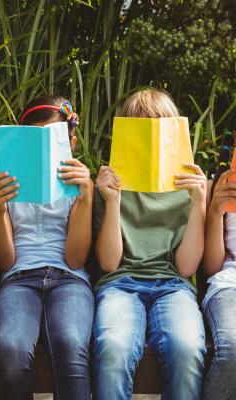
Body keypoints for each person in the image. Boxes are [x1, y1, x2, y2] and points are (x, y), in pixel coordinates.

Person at [93, 88, 207, 400]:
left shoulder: (188, 186)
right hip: (120, 284)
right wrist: (113, 201)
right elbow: (108, 263)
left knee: (187, 348)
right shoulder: (110, 183)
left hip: (173, 285)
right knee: (114, 348)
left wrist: (198, 204)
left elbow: (185, 267)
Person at [0, 95, 94, 400]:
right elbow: (6, 261)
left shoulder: (78, 187)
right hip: (18, 278)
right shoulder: (7, 186)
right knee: (10, 347)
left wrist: (85, 197)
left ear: (71, 141)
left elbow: (75, 260)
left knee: (71, 343)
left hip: (69, 278)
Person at [202, 128, 236, 400]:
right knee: (233, 347)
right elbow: (212, 268)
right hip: (229, 282)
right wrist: (215, 210)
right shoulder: (218, 185)